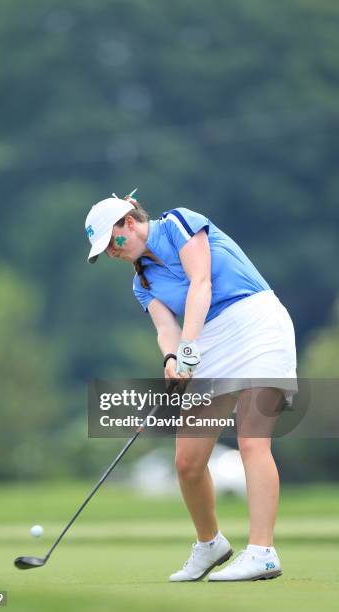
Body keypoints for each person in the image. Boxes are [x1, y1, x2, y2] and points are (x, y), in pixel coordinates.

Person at [84, 190, 297, 582]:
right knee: (187, 461)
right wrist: (171, 358)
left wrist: (188, 348)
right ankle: (210, 543)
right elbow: (167, 328)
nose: (113, 252)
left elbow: (201, 284)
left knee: (252, 441)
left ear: (130, 222)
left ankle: (263, 551)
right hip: (206, 341)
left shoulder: (178, 223)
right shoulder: (141, 283)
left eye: (113, 242)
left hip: (256, 321)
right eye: (105, 251)